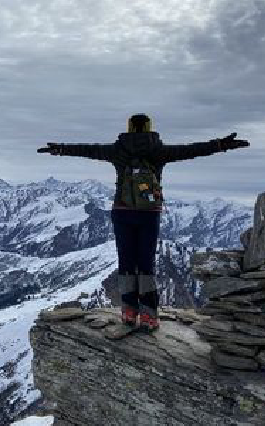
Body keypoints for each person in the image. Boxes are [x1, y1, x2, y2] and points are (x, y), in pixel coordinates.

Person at [37, 113, 249, 332]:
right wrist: (220, 144)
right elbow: (191, 150)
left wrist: (61, 148)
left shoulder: (118, 150)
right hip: (149, 214)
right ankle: (149, 315)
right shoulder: (158, 151)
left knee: (126, 262)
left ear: (129, 128)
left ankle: (129, 311)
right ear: (149, 128)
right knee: (146, 264)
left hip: (122, 212)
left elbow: (89, 150)